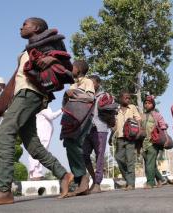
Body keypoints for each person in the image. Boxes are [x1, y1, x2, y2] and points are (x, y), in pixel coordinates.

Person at [0, 17, 74, 207]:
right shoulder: (25, 52)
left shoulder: (49, 43)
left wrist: (52, 59)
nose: (21, 27)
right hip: (23, 95)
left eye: (26, 24)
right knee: (33, 146)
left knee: (4, 135)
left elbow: (66, 64)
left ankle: (4, 191)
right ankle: (64, 175)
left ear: (37, 27)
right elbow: (13, 82)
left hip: (30, 94)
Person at [62, 60, 95, 197]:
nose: (71, 68)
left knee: (75, 145)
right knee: (69, 144)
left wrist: (73, 94)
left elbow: (90, 97)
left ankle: (83, 179)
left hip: (83, 118)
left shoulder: (88, 82)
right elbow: (66, 104)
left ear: (80, 69)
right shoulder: (73, 84)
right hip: (71, 118)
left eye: (73, 66)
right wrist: (66, 96)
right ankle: (80, 180)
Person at [82, 75, 114, 193]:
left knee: (99, 156)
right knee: (84, 154)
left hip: (100, 129)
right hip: (87, 130)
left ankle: (97, 183)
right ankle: (94, 178)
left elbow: (110, 112)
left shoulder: (104, 96)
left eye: (92, 83)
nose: (90, 85)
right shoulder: (85, 96)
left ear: (98, 84)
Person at [114, 91, 141, 191]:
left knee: (130, 161)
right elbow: (114, 124)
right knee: (118, 158)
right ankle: (128, 179)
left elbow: (138, 119)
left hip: (130, 138)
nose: (128, 99)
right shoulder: (116, 109)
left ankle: (131, 184)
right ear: (120, 98)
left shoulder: (132, 107)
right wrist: (111, 136)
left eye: (129, 98)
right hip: (119, 138)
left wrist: (138, 131)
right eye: (126, 98)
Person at [140, 95, 168, 189]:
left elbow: (163, 126)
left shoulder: (157, 115)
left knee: (149, 163)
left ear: (153, 104)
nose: (147, 105)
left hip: (153, 142)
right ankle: (162, 179)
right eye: (145, 103)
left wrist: (166, 138)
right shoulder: (142, 116)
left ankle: (150, 182)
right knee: (150, 163)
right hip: (144, 143)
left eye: (149, 103)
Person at [28, 106, 62, 180]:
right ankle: (36, 174)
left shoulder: (44, 106)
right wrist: (62, 110)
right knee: (39, 152)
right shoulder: (43, 107)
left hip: (43, 133)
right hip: (42, 133)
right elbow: (51, 116)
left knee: (41, 152)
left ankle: (36, 173)